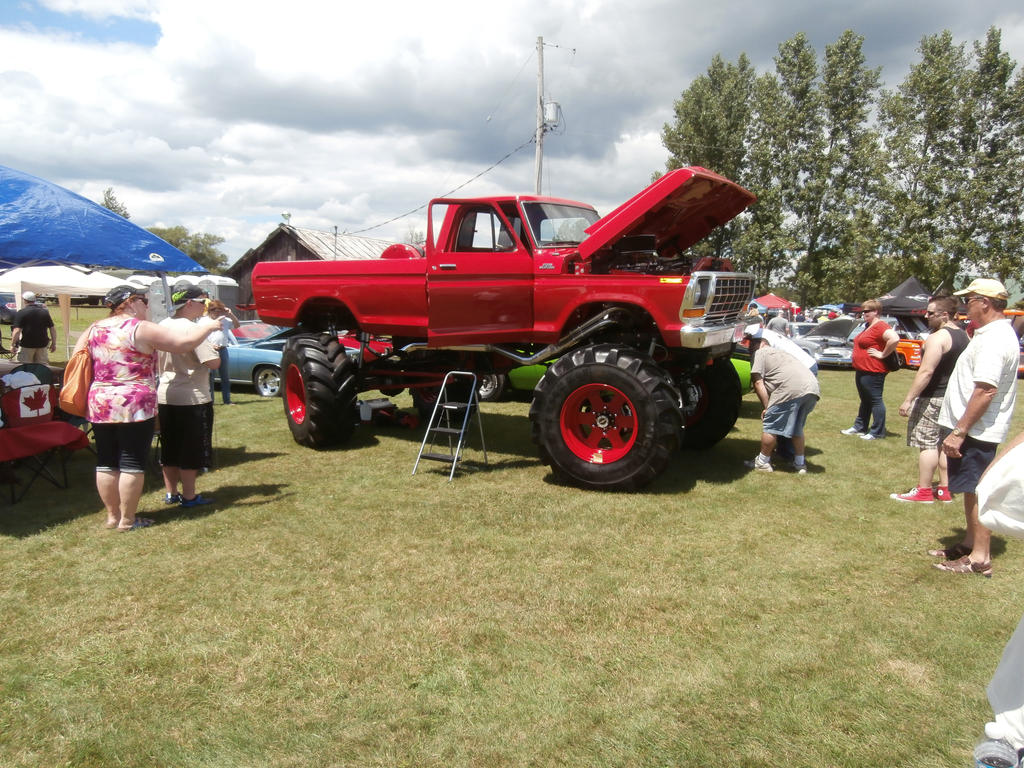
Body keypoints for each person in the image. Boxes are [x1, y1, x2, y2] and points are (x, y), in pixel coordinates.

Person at [73, 285, 219, 531]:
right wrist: (208, 327)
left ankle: (112, 517)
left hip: (100, 401)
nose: (147, 306)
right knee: (131, 461)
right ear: (131, 302)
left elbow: (78, 355)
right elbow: (182, 344)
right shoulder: (140, 328)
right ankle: (128, 520)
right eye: (144, 301)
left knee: (107, 460)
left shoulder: (94, 328)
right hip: (133, 403)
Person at [930, 278, 1019, 576]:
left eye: (970, 300)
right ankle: (970, 544)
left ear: (986, 302)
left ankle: (980, 557)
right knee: (970, 489)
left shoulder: (995, 339)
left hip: (976, 430)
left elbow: (985, 390)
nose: (966, 306)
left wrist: (960, 431)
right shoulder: (989, 334)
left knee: (979, 490)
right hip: (973, 428)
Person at [891, 295, 969, 503]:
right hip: (953, 398)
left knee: (927, 444)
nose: (926, 316)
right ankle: (944, 488)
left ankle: (924, 490)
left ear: (945, 315)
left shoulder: (937, 338)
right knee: (945, 443)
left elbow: (926, 371)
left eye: (931, 313)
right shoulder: (963, 336)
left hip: (933, 397)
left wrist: (909, 399)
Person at [157, 287, 220, 508]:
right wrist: (215, 351)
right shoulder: (194, 330)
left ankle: (170, 493)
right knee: (190, 449)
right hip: (193, 396)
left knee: (170, 446)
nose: (205, 307)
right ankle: (190, 496)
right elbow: (212, 363)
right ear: (189, 304)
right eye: (202, 302)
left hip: (165, 393)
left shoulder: (162, 326)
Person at [743, 324, 820, 474]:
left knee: (771, 425)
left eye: (751, 344)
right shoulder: (782, 353)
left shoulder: (760, 354)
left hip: (791, 388)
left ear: (759, 344)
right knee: (797, 427)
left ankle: (763, 462)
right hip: (812, 388)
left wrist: (767, 407)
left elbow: (758, 382)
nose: (749, 347)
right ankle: (800, 464)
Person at [840, 298, 899, 440]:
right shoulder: (868, 325)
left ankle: (877, 432)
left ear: (876, 312)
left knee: (875, 400)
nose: (863, 313)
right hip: (862, 369)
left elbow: (894, 338)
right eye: (862, 311)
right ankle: (860, 427)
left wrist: (882, 354)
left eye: (867, 311)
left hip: (874, 370)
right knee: (865, 400)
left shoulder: (880, 326)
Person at [206, 300, 239, 406]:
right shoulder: (204, 321)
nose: (218, 313)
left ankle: (227, 400)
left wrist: (231, 314)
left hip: (223, 349)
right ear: (210, 311)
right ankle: (210, 401)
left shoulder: (225, 320)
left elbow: (237, 325)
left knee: (225, 376)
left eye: (220, 311)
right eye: (215, 311)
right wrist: (210, 346)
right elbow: (201, 338)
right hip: (210, 350)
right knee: (210, 377)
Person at [11, 291, 57, 364]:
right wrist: (54, 343)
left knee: (25, 368)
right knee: (41, 368)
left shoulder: (22, 312)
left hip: (27, 345)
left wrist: (13, 345)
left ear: (25, 300)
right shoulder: (44, 312)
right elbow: (52, 329)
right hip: (42, 345)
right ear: (34, 300)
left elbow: (17, 330)